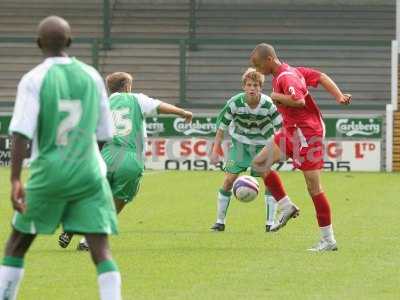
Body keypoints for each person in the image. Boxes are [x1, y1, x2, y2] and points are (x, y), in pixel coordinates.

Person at [0, 16, 122, 300]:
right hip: (89, 171)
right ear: (69, 42)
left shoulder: (34, 79)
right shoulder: (92, 76)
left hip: (49, 172)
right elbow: (105, 133)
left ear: (38, 44)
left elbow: (20, 133)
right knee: (100, 248)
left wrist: (16, 179)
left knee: (17, 243)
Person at [59, 71, 193, 250]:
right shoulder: (136, 99)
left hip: (107, 154)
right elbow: (160, 106)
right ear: (127, 86)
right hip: (131, 157)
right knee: (117, 201)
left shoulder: (102, 104)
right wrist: (182, 112)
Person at [250, 43, 352, 251]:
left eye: (258, 65)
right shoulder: (293, 71)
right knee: (260, 163)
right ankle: (285, 205)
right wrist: (338, 95)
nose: (257, 70)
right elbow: (321, 76)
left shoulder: (285, 77)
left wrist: (277, 97)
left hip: (306, 135)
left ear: (269, 60)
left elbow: (299, 102)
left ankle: (328, 240)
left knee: (314, 188)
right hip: (292, 131)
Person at [209, 68, 284, 232]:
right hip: (240, 144)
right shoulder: (234, 103)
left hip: (264, 145)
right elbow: (221, 128)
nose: (252, 88)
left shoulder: (269, 105)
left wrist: (283, 150)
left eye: (255, 85)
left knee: (269, 181)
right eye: (249, 85)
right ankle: (219, 222)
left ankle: (270, 223)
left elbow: (282, 129)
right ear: (244, 87)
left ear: (260, 88)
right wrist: (216, 150)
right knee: (229, 179)